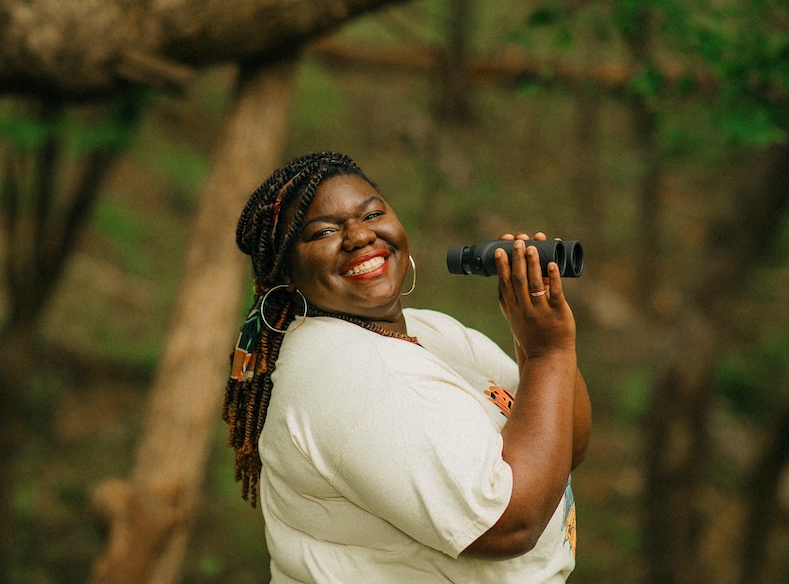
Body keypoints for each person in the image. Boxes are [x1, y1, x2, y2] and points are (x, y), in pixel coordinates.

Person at [223, 151, 591, 583]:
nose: (359, 236)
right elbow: (508, 525)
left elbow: (566, 445)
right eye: (323, 231)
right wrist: (550, 353)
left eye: (372, 213)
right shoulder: (344, 373)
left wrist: (536, 346)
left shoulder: (434, 330)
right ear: (284, 273)